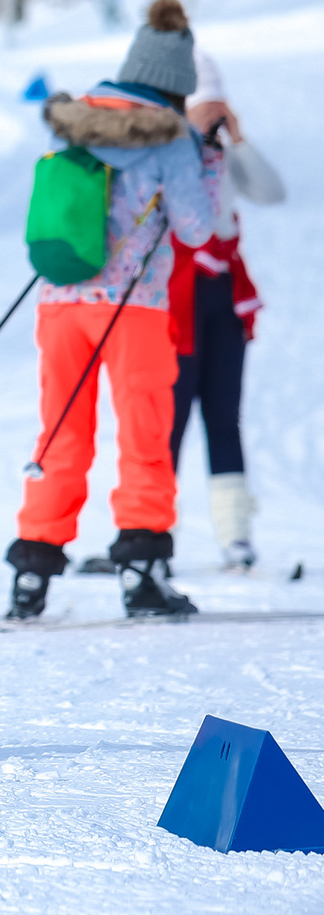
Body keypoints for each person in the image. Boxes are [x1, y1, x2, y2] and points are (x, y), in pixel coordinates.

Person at [9, 0, 220, 621]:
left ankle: (33, 571)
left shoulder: (71, 120)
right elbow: (196, 228)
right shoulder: (173, 136)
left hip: (60, 301)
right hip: (134, 307)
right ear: (177, 83)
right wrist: (207, 162)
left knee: (60, 433)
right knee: (144, 435)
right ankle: (141, 570)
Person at [168, 50, 286, 572]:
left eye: (220, 105)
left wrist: (235, 139)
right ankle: (153, 531)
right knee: (167, 419)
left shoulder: (225, 156)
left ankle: (235, 534)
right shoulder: (171, 155)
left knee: (223, 415)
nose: (214, 115)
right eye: (204, 107)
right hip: (178, 296)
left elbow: (273, 192)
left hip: (224, 297)